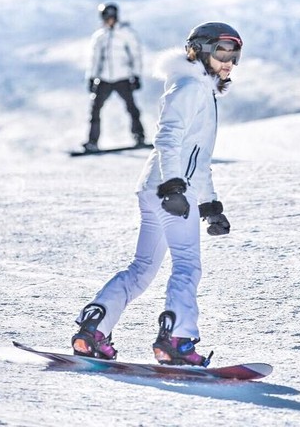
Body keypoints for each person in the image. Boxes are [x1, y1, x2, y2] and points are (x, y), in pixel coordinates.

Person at [72, 21, 243, 366]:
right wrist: (174, 187)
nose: (229, 61)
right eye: (222, 52)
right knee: (187, 265)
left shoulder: (199, 88)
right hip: (169, 189)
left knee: (142, 269)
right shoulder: (191, 87)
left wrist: (210, 206)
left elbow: (198, 157)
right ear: (200, 51)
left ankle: (94, 328)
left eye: (235, 54)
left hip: (161, 187)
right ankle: (176, 339)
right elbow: (167, 138)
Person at [83, 2, 146, 152]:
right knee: (95, 110)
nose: (109, 20)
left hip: (122, 77)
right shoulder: (100, 36)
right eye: (107, 17)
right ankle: (92, 142)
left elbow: (135, 55)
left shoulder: (127, 33)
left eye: (112, 17)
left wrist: (136, 75)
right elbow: (95, 58)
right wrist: (92, 77)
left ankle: (139, 136)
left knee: (132, 108)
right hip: (104, 78)